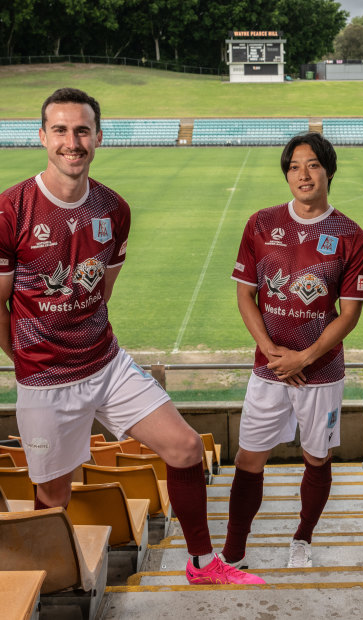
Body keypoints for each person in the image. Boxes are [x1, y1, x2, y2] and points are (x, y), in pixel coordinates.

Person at [0, 87, 263, 586]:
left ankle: (203, 566)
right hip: (45, 378)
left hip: (106, 363)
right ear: (42, 137)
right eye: (60, 130)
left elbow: (103, 291)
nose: (71, 142)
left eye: (82, 130)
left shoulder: (114, 209)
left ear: (98, 136)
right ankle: (45, 588)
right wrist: (27, 360)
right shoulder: (11, 209)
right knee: (53, 495)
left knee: (185, 448)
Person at [223, 132, 363, 569]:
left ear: (328, 170)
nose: (302, 175)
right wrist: (273, 353)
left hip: (320, 373)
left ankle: (302, 539)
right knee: (248, 458)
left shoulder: (350, 236)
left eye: (312, 165)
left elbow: (349, 314)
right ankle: (233, 553)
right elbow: (245, 295)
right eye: (293, 167)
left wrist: (303, 358)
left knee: (316, 456)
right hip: (268, 368)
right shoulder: (261, 224)